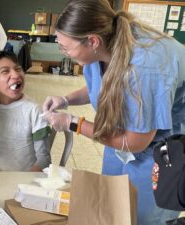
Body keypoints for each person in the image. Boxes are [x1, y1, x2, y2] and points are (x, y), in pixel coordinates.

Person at [42, 0, 185, 224]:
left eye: (65, 48)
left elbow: (135, 142)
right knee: (114, 204)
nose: (64, 53)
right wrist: (66, 99)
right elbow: (100, 87)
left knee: (142, 216)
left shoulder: (147, 66)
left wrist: (73, 123)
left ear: (92, 41)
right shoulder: (102, 46)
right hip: (122, 135)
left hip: (162, 147)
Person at [0, 50, 51, 172]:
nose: (16, 75)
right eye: (5, 71)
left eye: (18, 69)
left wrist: (22, 186)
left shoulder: (34, 110)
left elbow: (44, 159)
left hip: (29, 182)